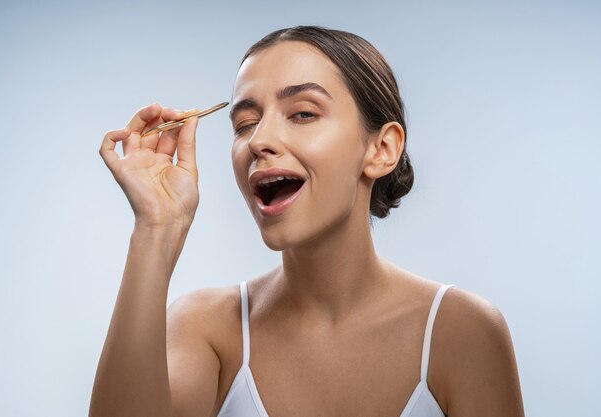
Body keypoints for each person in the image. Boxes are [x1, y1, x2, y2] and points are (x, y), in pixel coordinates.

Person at [91, 26, 525, 417]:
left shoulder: (463, 333)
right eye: (245, 123)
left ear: (382, 149)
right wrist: (156, 229)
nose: (259, 140)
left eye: (302, 114)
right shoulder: (207, 328)